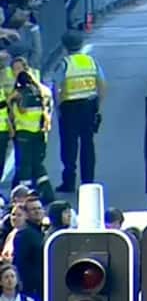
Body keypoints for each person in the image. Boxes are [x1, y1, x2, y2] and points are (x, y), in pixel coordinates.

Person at [52, 30, 104, 193]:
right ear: (81, 44)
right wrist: (97, 106)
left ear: (65, 46)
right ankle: (88, 181)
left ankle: (69, 181)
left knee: (69, 146)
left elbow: (56, 88)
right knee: (88, 144)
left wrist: (58, 107)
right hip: (89, 106)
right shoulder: (91, 61)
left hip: (69, 108)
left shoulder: (64, 64)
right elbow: (102, 85)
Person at [9, 66, 53, 201]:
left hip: (23, 134)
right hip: (39, 134)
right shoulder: (43, 92)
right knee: (38, 165)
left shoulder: (18, 94)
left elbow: (11, 108)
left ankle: (24, 197)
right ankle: (47, 194)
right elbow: (49, 109)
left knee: (25, 167)